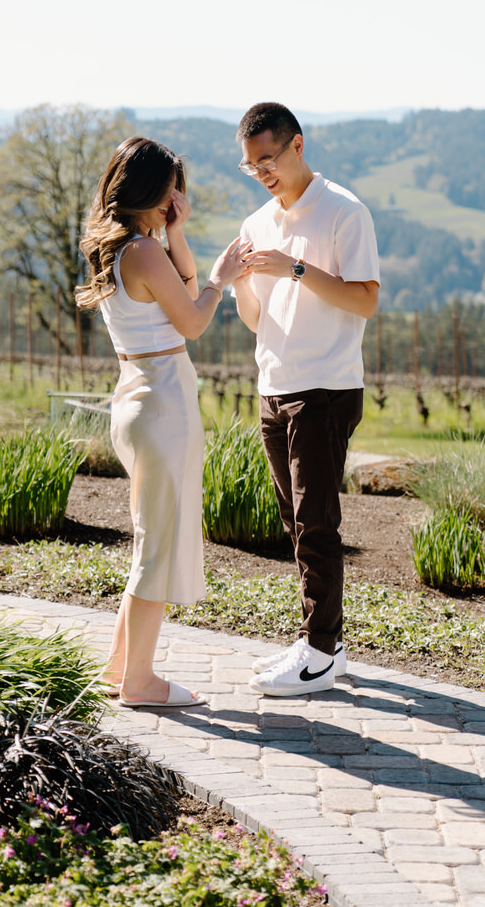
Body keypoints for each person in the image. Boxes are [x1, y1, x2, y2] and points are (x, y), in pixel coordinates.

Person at [77, 135, 247, 709]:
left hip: (136, 396)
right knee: (157, 545)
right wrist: (222, 280)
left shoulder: (121, 247)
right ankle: (142, 682)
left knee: (150, 540)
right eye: (173, 187)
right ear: (155, 189)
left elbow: (177, 289)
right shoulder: (143, 252)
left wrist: (175, 231)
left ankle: (121, 666)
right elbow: (194, 319)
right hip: (162, 402)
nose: (179, 195)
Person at [232, 102, 380, 696]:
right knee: (296, 521)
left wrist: (295, 268)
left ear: (297, 145)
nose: (262, 172)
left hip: (326, 386)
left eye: (267, 159)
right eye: (250, 166)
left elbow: (365, 299)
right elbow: (255, 319)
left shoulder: (344, 210)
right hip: (274, 385)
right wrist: (245, 280)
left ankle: (319, 652)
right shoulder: (256, 222)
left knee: (316, 522)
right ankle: (325, 642)